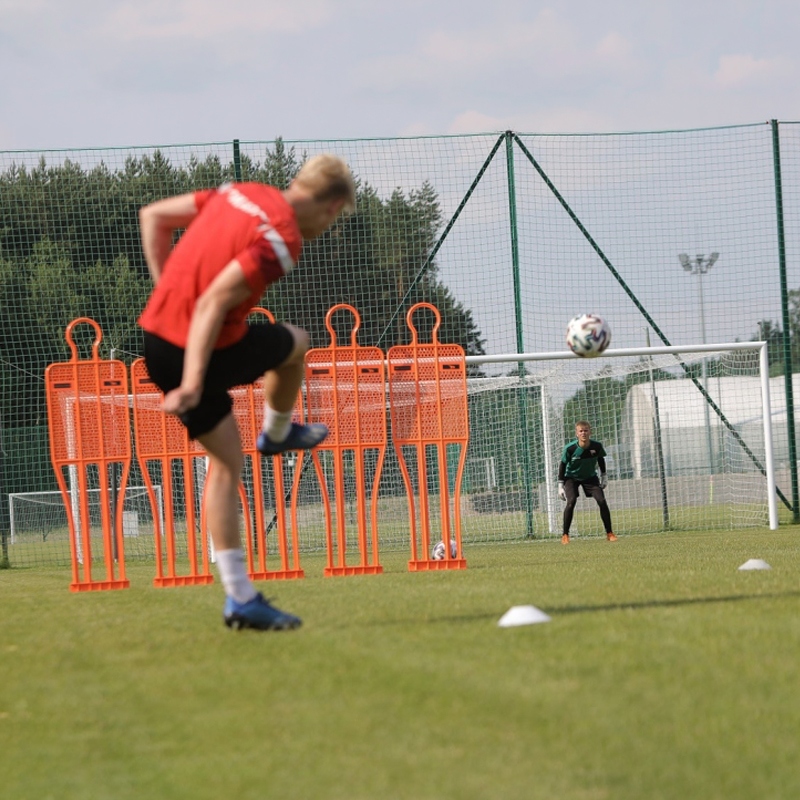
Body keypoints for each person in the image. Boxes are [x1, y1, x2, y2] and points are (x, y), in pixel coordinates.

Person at [137, 154, 356, 631]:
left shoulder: (240, 191)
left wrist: (168, 294)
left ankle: (240, 598)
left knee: (226, 463)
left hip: (156, 340)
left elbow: (152, 217)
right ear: (331, 206)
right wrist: (193, 382)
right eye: (335, 218)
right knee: (297, 343)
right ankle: (276, 432)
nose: (328, 227)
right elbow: (214, 301)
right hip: (201, 349)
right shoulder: (283, 239)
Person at [557, 420, 617, 544]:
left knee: (602, 501)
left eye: (586, 430)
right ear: (576, 433)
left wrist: (604, 476)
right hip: (571, 478)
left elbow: (600, 459)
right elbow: (562, 465)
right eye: (581, 431)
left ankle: (610, 533)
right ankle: (565, 535)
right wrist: (560, 485)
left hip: (590, 477)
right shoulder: (570, 449)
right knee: (571, 501)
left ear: (590, 432)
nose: (583, 433)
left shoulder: (597, 446)